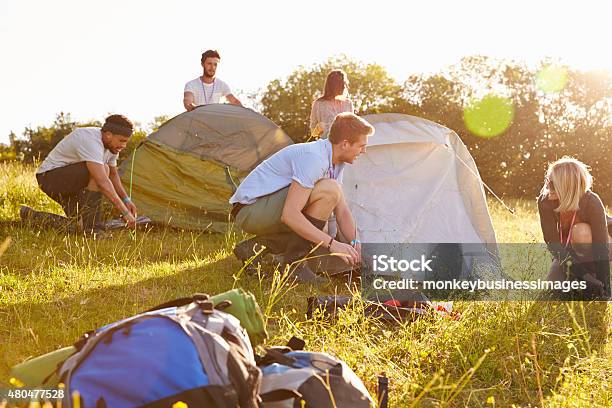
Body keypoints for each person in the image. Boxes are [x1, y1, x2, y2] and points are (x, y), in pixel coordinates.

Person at [230, 112, 374, 283]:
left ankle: (256, 248)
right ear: (345, 144)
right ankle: (294, 267)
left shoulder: (336, 162)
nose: (364, 151)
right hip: (249, 210)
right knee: (328, 191)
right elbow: (290, 215)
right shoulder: (315, 158)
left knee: (327, 205)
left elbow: (342, 211)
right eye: (361, 146)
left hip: (264, 209)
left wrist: (355, 244)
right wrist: (332, 244)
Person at [21, 115, 138, 234]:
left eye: (126, 142)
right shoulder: (90, 140)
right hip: (49, 178)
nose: (124, 146)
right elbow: (102, 181)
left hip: (74, 183)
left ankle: (31, 216)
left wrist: (126, 200)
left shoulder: (112, 147)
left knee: (78, 225)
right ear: (108, 135)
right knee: (103, 169)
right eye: (122, 141)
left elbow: (113, 175)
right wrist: (125, 213)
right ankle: (92, 229)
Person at [538, 157, 611, 298]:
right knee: (549, 293)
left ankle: (592, 274)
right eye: (547, 180)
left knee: (581, 231)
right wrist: (584, 276)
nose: (547, 186)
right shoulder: (545, 201)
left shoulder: (592, 201)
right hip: (571, 249)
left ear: (567, 186)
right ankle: (583, 276)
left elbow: (601, 248)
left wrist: (605, 289)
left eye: (552, 183)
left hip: (605, 244)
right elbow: (554, 246)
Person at [309, 70, 354, 139]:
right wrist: (319, 128)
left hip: (345, 146)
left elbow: (353, 126)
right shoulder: (318, 104)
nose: (344, 86)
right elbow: (313, 132)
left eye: (345, 83)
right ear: (332, 85)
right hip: (326, 146)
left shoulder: (348, 103)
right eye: (341, 83)